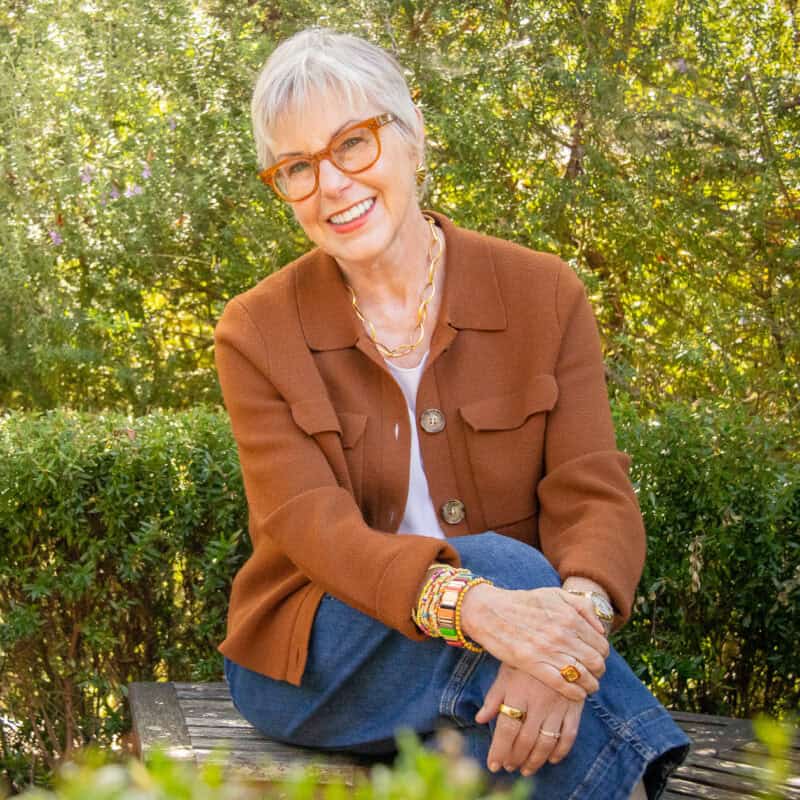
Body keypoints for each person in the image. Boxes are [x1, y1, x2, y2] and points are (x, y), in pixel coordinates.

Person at [215, 27, 690, 800]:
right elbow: (311, 527)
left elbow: (592, 494)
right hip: (318, 662)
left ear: (413, 137)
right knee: (505, 566)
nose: (331, 184)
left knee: (513, 688)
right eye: (297, 168)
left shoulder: (546, 294)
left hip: (502, 653)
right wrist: (478, 607)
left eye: (353, 145)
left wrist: (565, 636)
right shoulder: (256, 330)